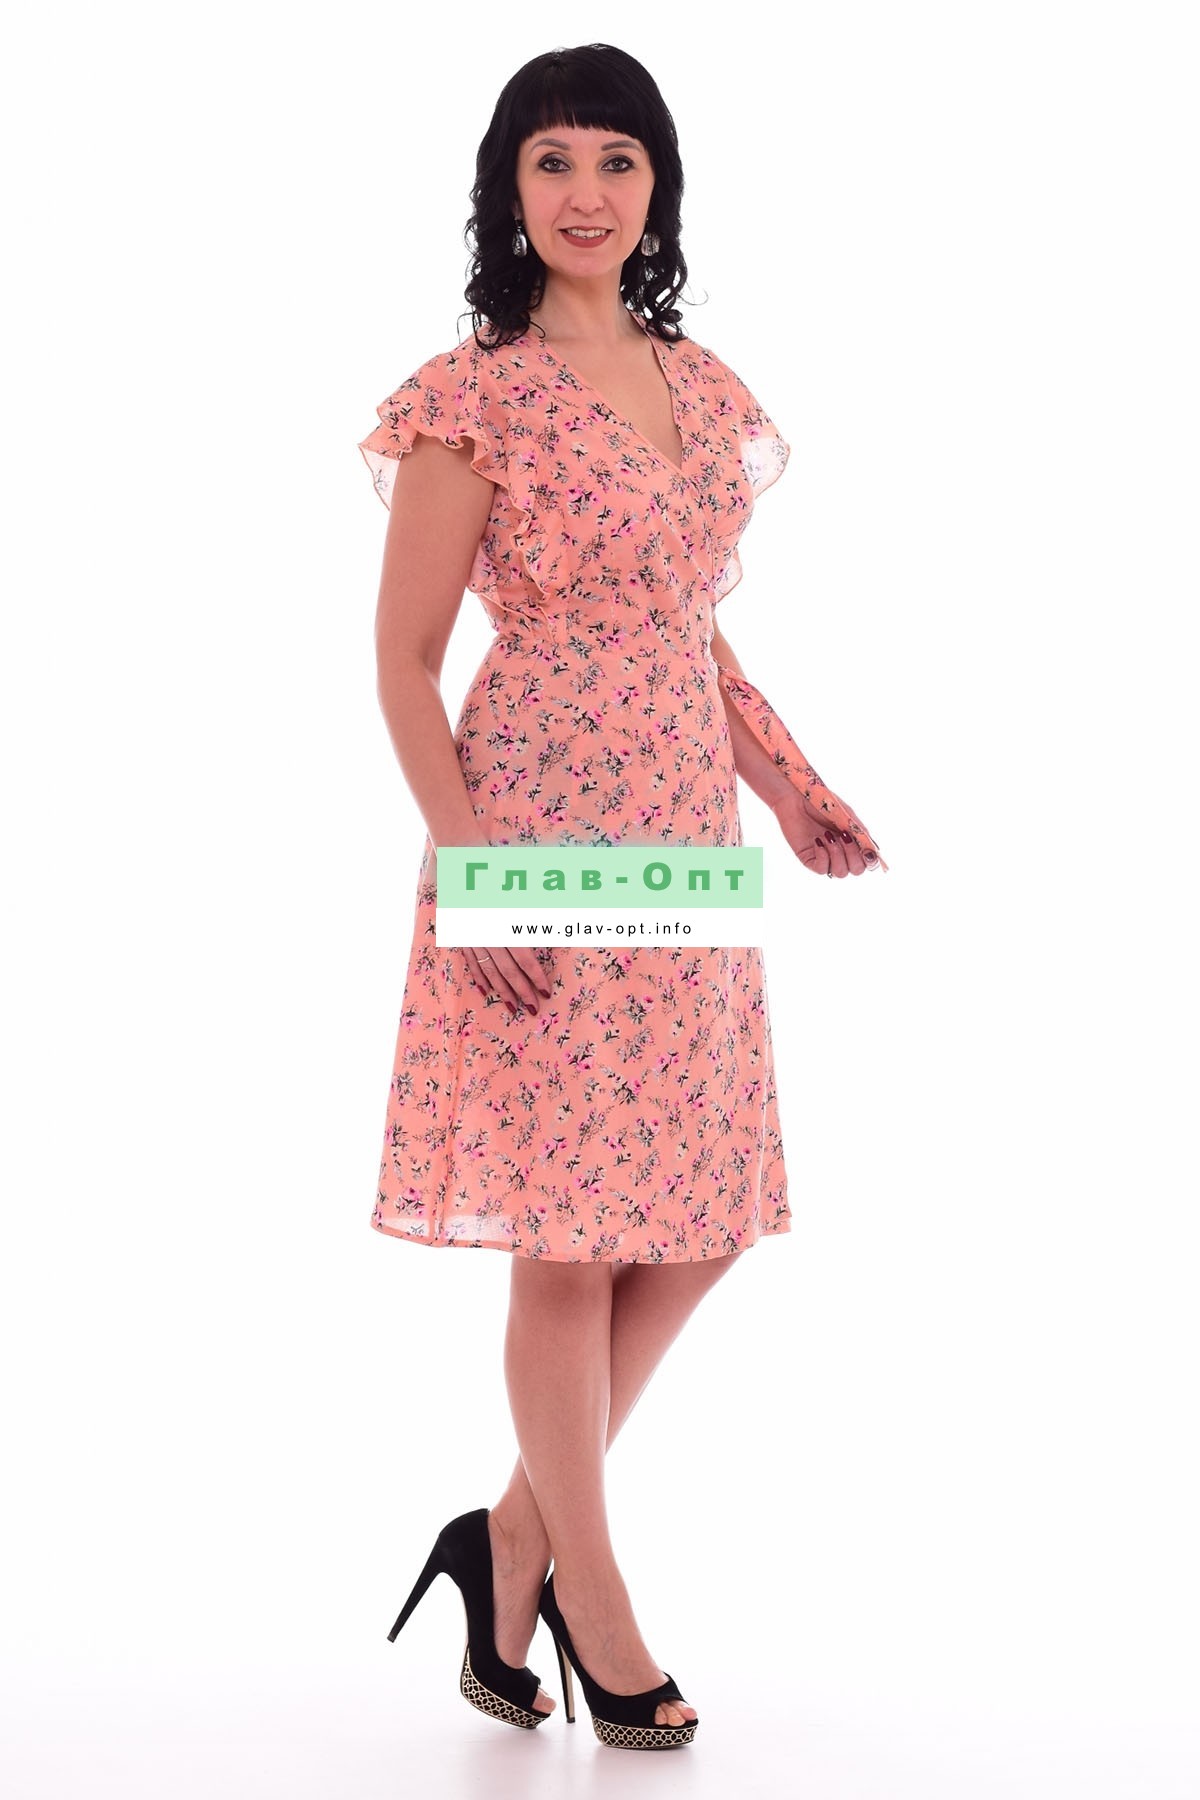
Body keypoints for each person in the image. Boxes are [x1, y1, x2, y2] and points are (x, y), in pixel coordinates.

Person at [360, 44, 887, 1752]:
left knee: (698, 1213)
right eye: (552, 162)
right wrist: (478, 877)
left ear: (657, 190)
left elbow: (689, 630)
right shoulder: (474, 395)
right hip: (531, 830)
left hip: (680, 836)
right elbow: (403, 658)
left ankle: (511, 1538)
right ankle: (594, 1604)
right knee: (570, 1235)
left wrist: (791, 785)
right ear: (506, 191)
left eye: (617, 162)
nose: (586, 194)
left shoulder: (700, 383)